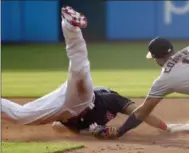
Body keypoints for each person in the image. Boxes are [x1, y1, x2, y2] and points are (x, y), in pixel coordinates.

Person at [1, 7, 171, 137]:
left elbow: (58, 127)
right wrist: (165, 128)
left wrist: (94, 131)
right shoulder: (110, 98)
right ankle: (69, 25)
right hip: (79, 100)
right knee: (80, 69)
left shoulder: (95, 113)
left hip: (63, 108)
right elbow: (141, 112)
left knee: (20, 116)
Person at [52, 86, 171, 137]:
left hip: (103, 98)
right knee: (57, 126)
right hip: (82, 123)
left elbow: (142, 112)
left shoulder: (111, 100)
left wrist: (165, 128)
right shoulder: (66, 112)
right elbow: (62, 126)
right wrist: (93, 131)